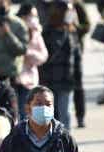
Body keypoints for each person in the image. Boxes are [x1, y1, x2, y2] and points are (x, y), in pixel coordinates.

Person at [40, 0, 82, 130]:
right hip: (50, 80)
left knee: (65, 114)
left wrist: (78, 79)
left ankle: (65, 143)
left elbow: (77, 58)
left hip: (66, 80)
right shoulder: (47, 33)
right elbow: (45, 57)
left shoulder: (72, 32)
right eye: (69, 11)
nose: (72, 14)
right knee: (51, 115)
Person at [0, 0, 30, 83]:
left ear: (9, 2)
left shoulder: (19, 25)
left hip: (11, 76)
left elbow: (22, 50)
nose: (0, 2)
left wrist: (8, 34)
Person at [16, 3, 49, 121]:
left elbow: (43, 55)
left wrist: (29, 54)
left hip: (29, 80)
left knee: (26, 113)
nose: (34, 19)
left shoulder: (36, 33)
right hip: (14, 78)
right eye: (32, 15)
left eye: (35, 16)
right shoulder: (15, 29)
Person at [72, 0, 90, 128]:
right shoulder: (51, 5)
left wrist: (75, 28)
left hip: (75, 48)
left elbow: (87, 25)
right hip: (54, 49)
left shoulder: (77, 5)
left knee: (77, 85)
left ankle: (80, 116)